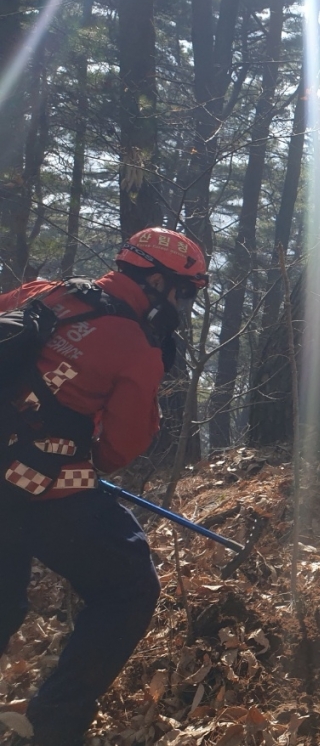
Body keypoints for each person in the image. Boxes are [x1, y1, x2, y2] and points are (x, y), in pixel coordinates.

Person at [0, 227, 208, 746]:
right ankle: (53, 727)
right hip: (39, 488)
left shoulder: (42, 292)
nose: (184, 304)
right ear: (158, 281)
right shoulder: (136, 343)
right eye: (185, 292)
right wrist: (84, 456)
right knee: (128, 588)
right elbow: (124, 443)